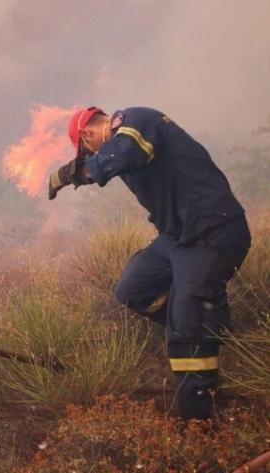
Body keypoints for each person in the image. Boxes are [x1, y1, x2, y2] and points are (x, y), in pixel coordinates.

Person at [48, 106, 251, 420]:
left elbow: (122, 153)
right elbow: (113, 160)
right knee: (134, 288)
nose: (91, 156)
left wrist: (71, 173)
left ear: (88, 134)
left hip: (212, 232)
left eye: (86, 151)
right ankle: (211, 324)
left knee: (186, 326)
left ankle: (200, 420)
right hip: (178, 237)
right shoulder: (122, 144)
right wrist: (81, 171)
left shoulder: (135, 121)